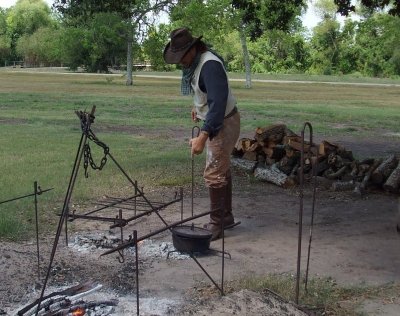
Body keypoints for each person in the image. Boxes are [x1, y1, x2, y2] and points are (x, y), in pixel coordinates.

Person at [163, 27, 240, 240]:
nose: (180, 62)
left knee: (214, 172)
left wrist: (202, 137)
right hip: (220, 118)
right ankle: (225, 217)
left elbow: (218, 104)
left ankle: (217, 223)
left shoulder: (210, 66)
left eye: (181, 56)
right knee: (221, 169)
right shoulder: (199, 63)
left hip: (223, 122)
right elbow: (207, 95)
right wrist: (198, 107)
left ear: (193, 49)